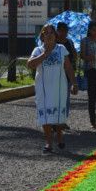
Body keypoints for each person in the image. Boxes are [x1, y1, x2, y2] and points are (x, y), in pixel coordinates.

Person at [27, 24, 77, 153]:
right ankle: (49, 142)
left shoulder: (61, 49)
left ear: (55, 36)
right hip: (43, 88)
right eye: (46, 33)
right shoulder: (37, 50)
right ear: (42, 36)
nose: (49, 35)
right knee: (45, 114)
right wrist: (45, 54)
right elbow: (30, 64)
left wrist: (74, 83)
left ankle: (59, 135)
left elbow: (68, 67)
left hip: (59, 87)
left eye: (51, 33)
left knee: (59, 114)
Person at [56, 22, 78, 125]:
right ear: (57, 30)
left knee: (66, 99)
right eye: (61, 31)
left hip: (67, 75)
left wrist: (74, 53)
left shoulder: (69, 42)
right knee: (55, 99)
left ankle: (63, 121)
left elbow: (74, 57)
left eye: (66, 31)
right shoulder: (54, 43)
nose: (64, 33)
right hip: (55, 75)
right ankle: (54, 121)